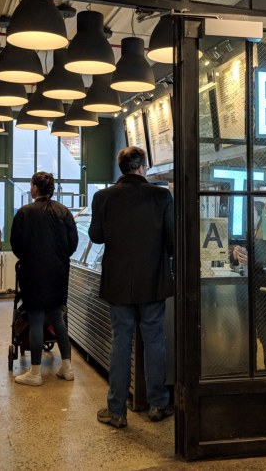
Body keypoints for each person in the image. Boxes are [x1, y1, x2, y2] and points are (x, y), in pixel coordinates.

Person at [89, 146, 174, 429]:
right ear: (142, 167)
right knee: (154, 340)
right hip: (154, 280)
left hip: (118, 282)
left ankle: (116, 410)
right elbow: (173, 241)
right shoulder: (162, 196)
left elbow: (96, 236)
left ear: (122, 167)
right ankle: (157, 404)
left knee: (121, 341)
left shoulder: (103, 197)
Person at [10, 171, 78, 386]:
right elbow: (73, 244)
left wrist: (29, 256)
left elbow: (16, 245)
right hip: (58, 272)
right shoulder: (64, 211)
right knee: (57, 318)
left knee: (37, 319)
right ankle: (67, 368)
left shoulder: (24, 212)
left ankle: (35, 373)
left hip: (33, 272)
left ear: (34, 188)